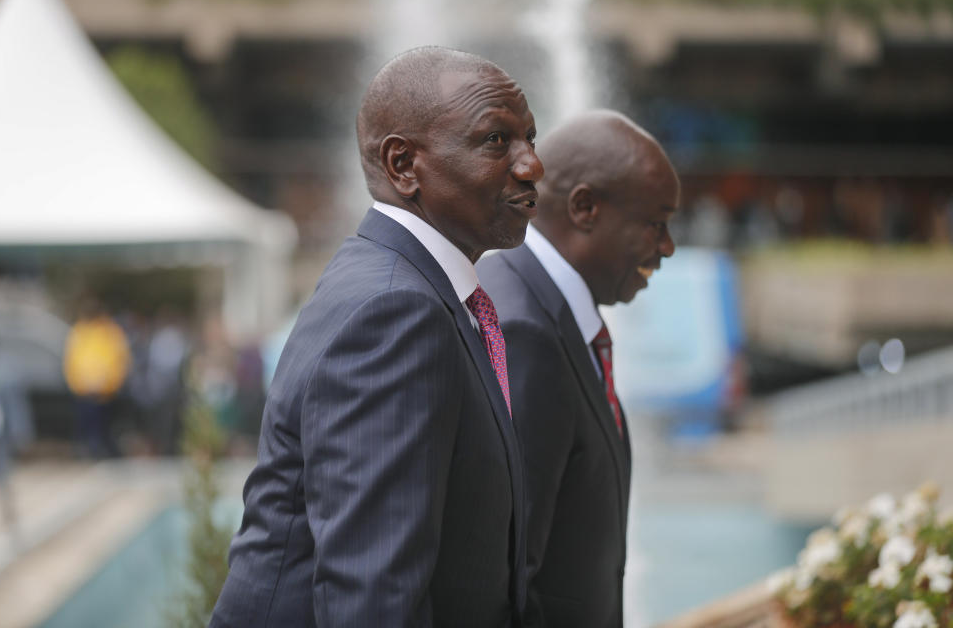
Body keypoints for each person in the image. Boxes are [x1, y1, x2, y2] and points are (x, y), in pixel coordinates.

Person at [210, 46, 544, 628]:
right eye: (497, 140)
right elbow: (373, 598)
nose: (531, 165)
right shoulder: (395, 311)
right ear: (403, 165)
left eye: (529, 140)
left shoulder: (411, 289)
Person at [477, 110, 679, 628]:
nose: (667, 247)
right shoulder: (524, 331)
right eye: (656, 223)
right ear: (584, 207)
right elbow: (506, 577)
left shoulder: (544, 310)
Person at [62, 299, 131, 458]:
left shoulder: (110, 332)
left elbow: (119, 359)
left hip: (105, 391)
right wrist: (77, 383)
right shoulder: (79, 331)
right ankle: (87, 451)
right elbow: (71, 360)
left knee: (104, 428)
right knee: (86, 427)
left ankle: (102, 452)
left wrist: (110, 382)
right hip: (83, 390)